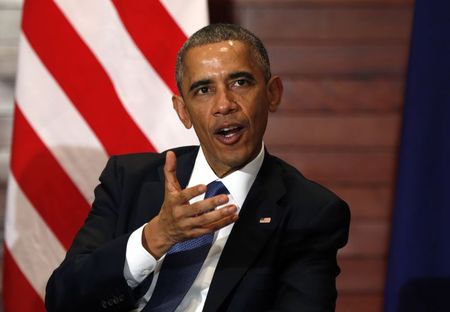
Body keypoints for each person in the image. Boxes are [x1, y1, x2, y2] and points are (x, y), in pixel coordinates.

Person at [45, 23, 350, 312]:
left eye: (240, 82)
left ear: (272, 93)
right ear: (183, 111)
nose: (224, 104)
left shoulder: (311, 212)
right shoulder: (130, 180)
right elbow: (63, 299)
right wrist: (154, 238)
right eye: (203, 90)